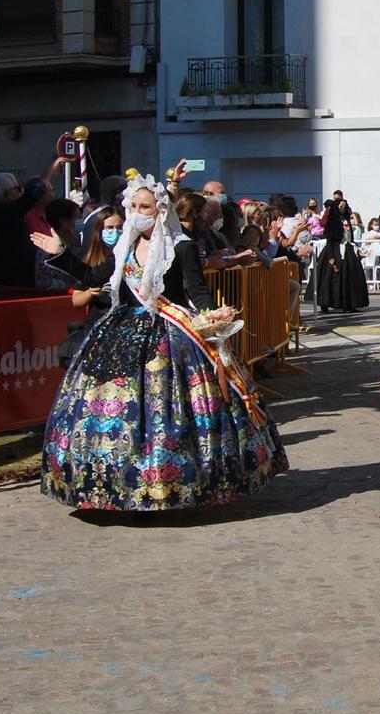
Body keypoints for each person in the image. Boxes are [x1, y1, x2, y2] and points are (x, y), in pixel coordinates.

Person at [33, 176, 286, 511]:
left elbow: (195, 291)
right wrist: (61, 253)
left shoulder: (180, 247)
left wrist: (213, 320)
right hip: (121, 334)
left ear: (160, 210)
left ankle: (179, 481)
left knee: (171, 411)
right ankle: (107, 483)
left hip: (170, 335)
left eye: (145, 208)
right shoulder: (123, 246)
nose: (138, 214)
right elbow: (93, 279)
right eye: (134, 207)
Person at [0, 161, 61, 291]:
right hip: (6, 285)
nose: (21, 193)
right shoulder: (1, 213)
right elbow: (32, 195)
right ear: (7, 194)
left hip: (13, 281)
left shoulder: (0, 213)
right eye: (17, 189)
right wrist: (51, 169)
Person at [313, 194, 370, 313]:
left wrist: (356, 249)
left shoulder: (346, 220)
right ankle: (325, 303)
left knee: (350, 277)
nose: (342, 208)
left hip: (348, 250)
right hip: (334, 249)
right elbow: (330, 240)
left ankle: (349, 304)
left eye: (344, 206)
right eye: (340, 206)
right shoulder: (332, 221)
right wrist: (331, 257)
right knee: (330, 278)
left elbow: (350, 237)